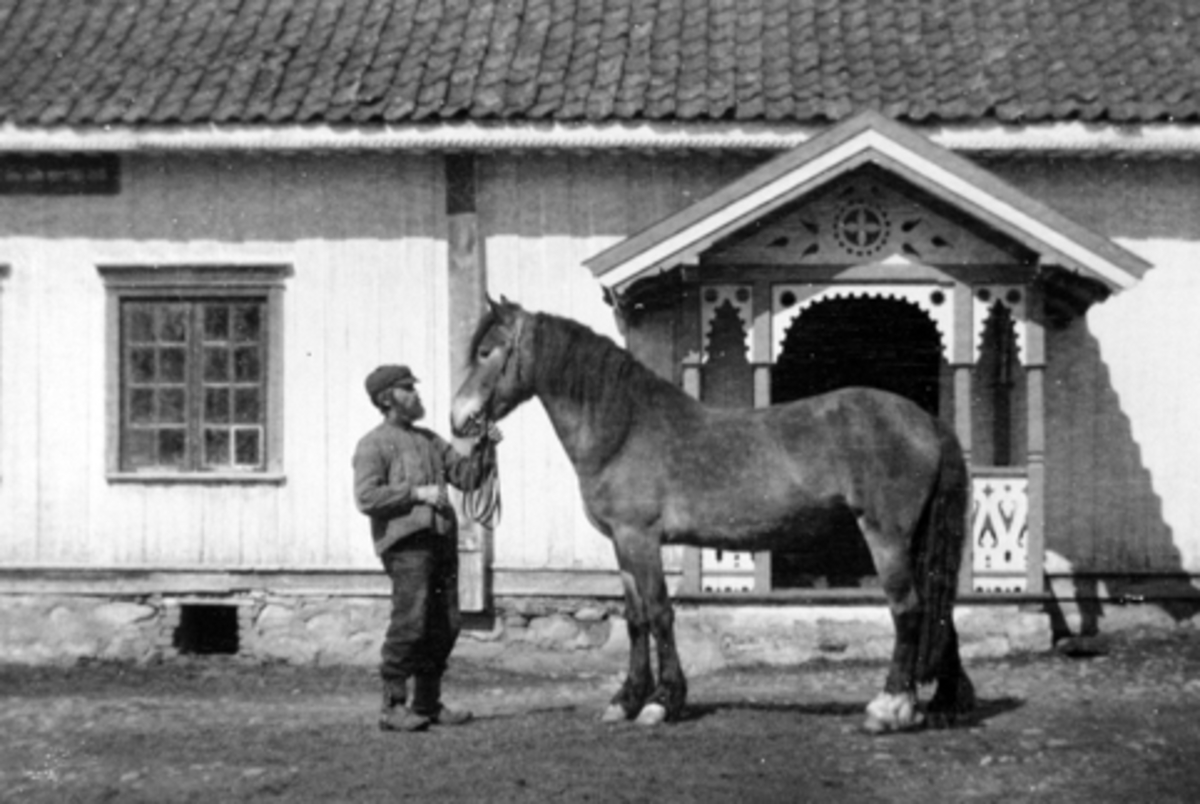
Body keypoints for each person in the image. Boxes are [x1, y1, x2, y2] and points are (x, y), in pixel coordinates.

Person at [353, 364, 500, 733]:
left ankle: (427, 703)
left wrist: (485, 446)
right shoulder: (373, 444)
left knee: (445, 623)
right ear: (388, 398)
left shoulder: (430, 440)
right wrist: (416, 494)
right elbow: (366, 497)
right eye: (407, 389)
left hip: (440, 541)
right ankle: (393, 706)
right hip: (407, 547)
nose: (416, 395)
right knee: (411, 622)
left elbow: (466, 478)